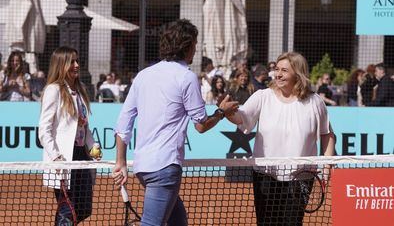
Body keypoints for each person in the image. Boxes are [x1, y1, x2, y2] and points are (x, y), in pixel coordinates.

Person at [112, 19, 238, 226]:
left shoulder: (143, 76)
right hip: (165, 167)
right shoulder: (186, 77)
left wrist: (121, 162)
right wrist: (221, 112)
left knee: (178, 221)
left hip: (143, 168)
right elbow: (201, 125)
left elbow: (123, 123)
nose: (196, 50)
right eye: (195, 45)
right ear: (186, 46)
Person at [224, 52, 335, 225]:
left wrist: (327, 167)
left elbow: (327, 134)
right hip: (266, 175)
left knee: (292, 223)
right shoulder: (263, 96)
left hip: (301, 177)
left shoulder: (315, 102)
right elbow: (242, 118)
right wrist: (228, 113)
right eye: (277, 69)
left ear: (297, 74)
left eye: (284, 70)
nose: (278, 74)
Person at [39, 46, 101, 225]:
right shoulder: (53, 90)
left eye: (77, 61)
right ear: (61, 65)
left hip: (82, 156)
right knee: (68, 209)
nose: (76, 65)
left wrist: (93, 146)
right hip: (65, 158)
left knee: (84, 208)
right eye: (71, 62)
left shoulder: (79, 91)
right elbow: (44, 129)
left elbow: (84, 126)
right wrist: (56, 156)